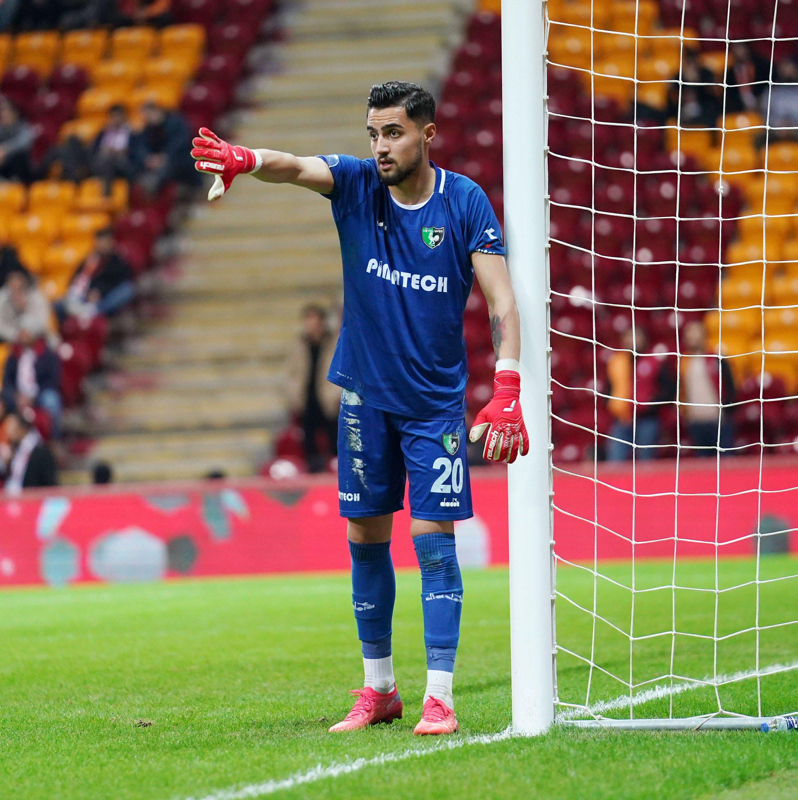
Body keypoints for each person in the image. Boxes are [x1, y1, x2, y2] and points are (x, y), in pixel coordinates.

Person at [191, 81, 528, 735]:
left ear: (427, 133)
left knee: (434, 549)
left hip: (433, 410)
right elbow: (295, 166)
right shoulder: (355, 185)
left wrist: (506, 386)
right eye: (373, 133)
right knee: (365, 544)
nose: (380, 146)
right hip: (363, 402)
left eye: (394, 132)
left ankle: (440, 697)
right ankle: (380, 691)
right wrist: (247, 160)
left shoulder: (464, 202)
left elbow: (502, 302)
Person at [284, 304, 341, 472]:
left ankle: (335, 472)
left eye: (315, 320)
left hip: (329, 399)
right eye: (308, 320)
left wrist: (336, 393)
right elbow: (291, 373)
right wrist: (294, 395)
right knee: (309, 443)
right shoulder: (299, 345)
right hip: (307, 399)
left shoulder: (333, 342)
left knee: (334, 440)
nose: (311, 325)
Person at [606, 327, 673, 461]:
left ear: (645, 339)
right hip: (622, 419)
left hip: (647, 419)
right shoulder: (616, 362)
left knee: (645, 462)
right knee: (615, 461)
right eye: (629, 337)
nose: (632, 341)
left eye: (636, 336)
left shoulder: (655, 361)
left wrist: (651, 404)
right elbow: (609, 388)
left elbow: (669, 389)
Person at [56, 227, 136, 321]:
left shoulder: (117, 261)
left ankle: (93, 312)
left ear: (111, 242)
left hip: (104, 299)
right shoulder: (90, 260)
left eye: (105, 241)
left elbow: (119, 280)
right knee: (58, 305)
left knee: (127, 290)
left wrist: (100, 291)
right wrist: (86, 293)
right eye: (100, 241)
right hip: (85, 298)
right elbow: (78, 280)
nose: (102, 245)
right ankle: (81, 313)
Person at [680, 320, 735, 456]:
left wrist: (727, 410)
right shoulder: (683, 362)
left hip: (718, 420)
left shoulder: (717, 359)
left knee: (723, 462)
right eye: (689, 334)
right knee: (702, 465)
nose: (692, 338)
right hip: (695, 420)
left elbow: (730, 386)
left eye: (696, 333)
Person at [1, 322, 63, 438]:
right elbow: (7, 380)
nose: (23, 337)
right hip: (17, 395)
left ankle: (55, 437)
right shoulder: (13, 356)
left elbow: (52, 380)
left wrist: (32, 397)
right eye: (22, 334)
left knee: (51, 400)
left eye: (26, 333)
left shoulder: (47, 354)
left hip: (39, 393)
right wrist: (15, 395)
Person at [132, 101, 198, 196]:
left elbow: (181, 142)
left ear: (157, 111)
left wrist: (164, 156)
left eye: (149, 114)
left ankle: (155, 182)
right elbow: (141, 146)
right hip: (157, 161)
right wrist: (147, 158)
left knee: (173, 163)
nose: (148, 118)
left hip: (179, 159)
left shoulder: (175, 122)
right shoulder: (148, 128)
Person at [0, 410, 57, 494]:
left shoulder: (40, 451)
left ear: (21, 428)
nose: (7, 430)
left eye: (10, 426)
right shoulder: (14, 450)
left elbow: (48, 483)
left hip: (29, 499)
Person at [92, 104, 136, 196]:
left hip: (122, 164)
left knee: (110, 159)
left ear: (124, 117)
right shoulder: (104, 132)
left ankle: (107, 193)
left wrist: (122, 152)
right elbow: (94, 150)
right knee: (107, 159)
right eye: (113, 116)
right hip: (103, 163)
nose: (116, 119)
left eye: (118, 116)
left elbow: (134, 151)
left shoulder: (131, 132)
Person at [0, 270, 52, 345]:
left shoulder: (37, 298)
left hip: (36, 339)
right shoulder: (2, 299)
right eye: (12, 287)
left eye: (19, 288)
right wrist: (16, 335)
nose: (16, 291)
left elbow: (43, 323)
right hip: (11, 342)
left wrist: (29, 333)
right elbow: (1, 327)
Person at [0, 97, 35, 183]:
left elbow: (25, 142)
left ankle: (16, 183)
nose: (5, 117)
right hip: (3, 166)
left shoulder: (24, 127)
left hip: (19, 170)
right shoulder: (1, 129)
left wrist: (5, 149)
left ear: (15, 113)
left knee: (20, 155)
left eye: (7, 114)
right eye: (2, 115)